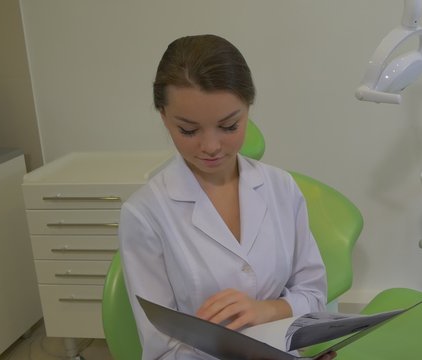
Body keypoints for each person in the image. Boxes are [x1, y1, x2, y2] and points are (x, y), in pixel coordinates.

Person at [119, 34, 335, 360]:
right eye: (189, 131)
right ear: (164, 117)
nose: (210, 146)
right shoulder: (145, 214)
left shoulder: (281, 187)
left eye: (229, 126)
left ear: (247, 109)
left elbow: (314, 295)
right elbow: (162, 350)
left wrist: (267, 311)